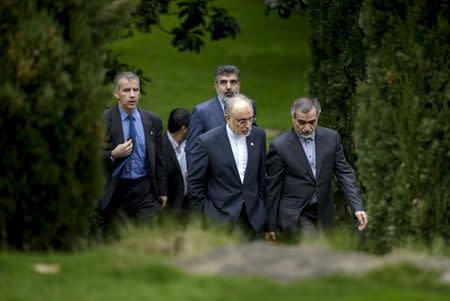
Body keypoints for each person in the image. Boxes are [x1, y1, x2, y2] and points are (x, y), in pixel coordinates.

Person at [265, 97, 368, 242]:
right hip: (295, 213)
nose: (307, 127)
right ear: (293, 118)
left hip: (323, 213)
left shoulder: (331, 138)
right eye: (301, 122)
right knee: (313, 244)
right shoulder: (279, 146)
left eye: (312, 122)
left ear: (318, 117)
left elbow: (344, 173)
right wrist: (270, 225)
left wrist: (357, 207)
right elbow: (272, 188)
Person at [188, 94, 266, 240]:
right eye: (242, 121)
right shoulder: (207, 142)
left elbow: (261, 176)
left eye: (251, 119)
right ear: (227, 118)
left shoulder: (259, 135)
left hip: (254, 216)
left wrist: (261, 208)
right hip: (221, 216)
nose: (248, 125)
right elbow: (195, 182)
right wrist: (206, 213)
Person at [98, 71, 167, 230]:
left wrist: (163, 191)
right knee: (116, 238)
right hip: (116, 190)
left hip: (145, 189)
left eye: (135, 90)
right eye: (126, 90)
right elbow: (90, 156)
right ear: (116, 93)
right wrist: (113, 154)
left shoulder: (152, 120)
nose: (132, 95)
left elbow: (160, 158)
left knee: (148, 233)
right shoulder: (104, 120)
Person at [185, 65, 256, 166]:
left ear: (239, 84)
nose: (228, 87)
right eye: (223, 82)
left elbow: (253, 136)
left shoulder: (249, 105)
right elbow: (192, 150)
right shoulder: (201, 112)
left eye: (233, 82)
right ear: (216, 85)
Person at [162, 108, 191, 213]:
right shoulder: (159, 148)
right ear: (183, 129)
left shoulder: (189, 144)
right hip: (169, 209)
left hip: (188, 205)